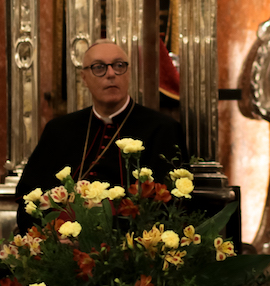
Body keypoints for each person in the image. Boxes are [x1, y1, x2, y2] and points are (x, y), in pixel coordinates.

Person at [15, 40, 184, 231]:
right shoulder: (58, 130)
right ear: (84, 77)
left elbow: (166, 205)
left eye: (119, 66)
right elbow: (28, 197)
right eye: (99, 67)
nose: (111, 74)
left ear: (128, 73)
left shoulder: (162, 129)